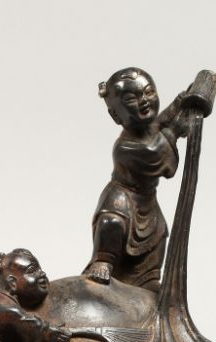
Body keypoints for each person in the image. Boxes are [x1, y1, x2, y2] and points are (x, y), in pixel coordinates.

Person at [84, 67, 190, 292]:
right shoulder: (124, 147)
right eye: (132, 99)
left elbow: (161, 122)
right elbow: (155, 153)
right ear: (115, 115)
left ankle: (148, 281)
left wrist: (181, 102)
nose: (144, 101)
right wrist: (175, 131)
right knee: (112, 223)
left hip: (147, 203)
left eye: (149, 92)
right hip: (122, 200)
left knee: (159, 234)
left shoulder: (150, 128)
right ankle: (103, 260)